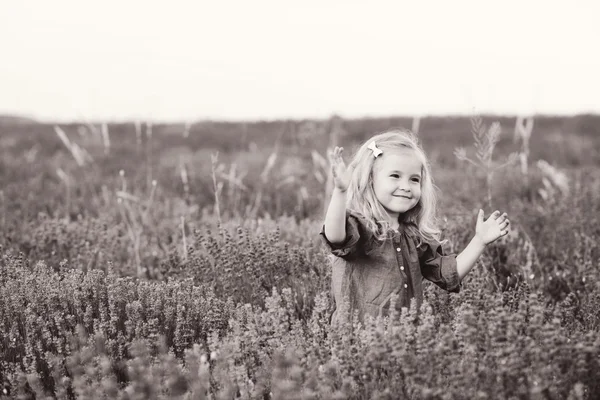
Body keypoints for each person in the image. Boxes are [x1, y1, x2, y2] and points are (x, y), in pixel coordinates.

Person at [320, 129, 510, 326]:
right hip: (357, 341)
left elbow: (447, 275)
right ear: (369, 180)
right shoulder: (361, 227)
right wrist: (340, 192)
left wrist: (479, 241)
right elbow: (335, 237)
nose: (406, 186)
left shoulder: (413, 236)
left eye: (414, 179)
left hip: (407, 339)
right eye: (395, 176)